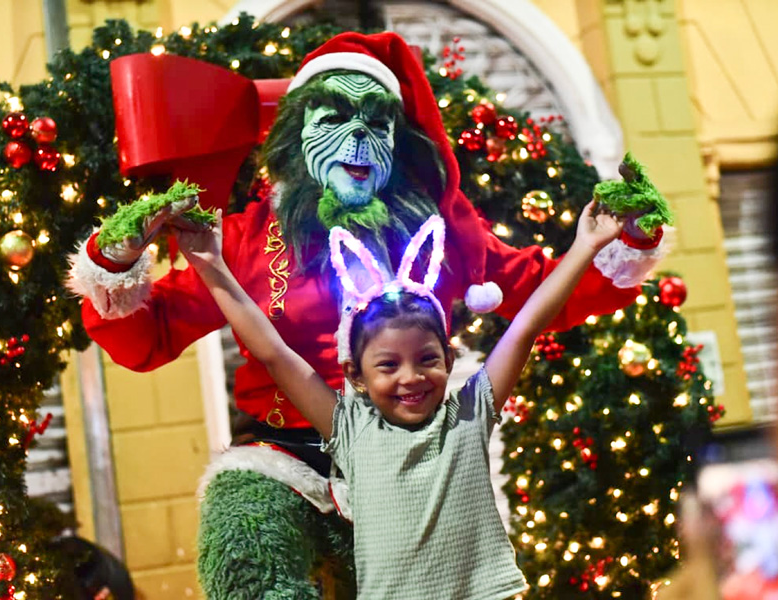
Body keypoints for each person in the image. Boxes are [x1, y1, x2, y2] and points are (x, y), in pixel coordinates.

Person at [68, 31, 668, 599]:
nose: (357, 137)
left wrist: (617, 240)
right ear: (295, 139)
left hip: (418, 464)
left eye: (376, 122)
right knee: (243, 541)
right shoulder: (251, 237)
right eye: (333, 120)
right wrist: (117, 259)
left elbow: (535, 301)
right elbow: (155, 336)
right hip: (284, 458)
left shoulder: (441, 229)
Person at [172, 197, 623, 599]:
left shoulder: (469, 413)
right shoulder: (350, 427)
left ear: (449, 357)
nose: (411, 378)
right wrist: (212, 265)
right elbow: (272, 351)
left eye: (427, 358)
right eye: (388, 365)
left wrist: (586, 245)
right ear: (356, 373)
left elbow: (526, 325)